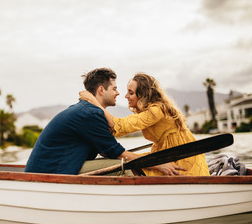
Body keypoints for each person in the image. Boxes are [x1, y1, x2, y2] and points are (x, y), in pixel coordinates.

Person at [25, 68, 184, 175]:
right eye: (114, 88)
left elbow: (107, 150)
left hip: (54, 169)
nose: (118, 93)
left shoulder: (87, 110)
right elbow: (120, 154)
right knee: (125, 168)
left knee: (125, 163)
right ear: (101, 90)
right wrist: (159, 165)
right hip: (53, 173)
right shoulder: (90, 114)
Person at [79, 72, 210, 176]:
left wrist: (93, 102)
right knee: (130, 163)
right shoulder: (146, 112)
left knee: (133, 166)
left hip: (181, 155)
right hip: (163, 152)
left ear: (143, 95)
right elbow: (119, 129)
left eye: (131, 92)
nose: (125, 96)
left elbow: (122, 125)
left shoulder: (156, 110)